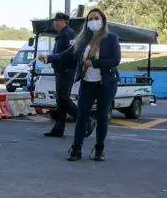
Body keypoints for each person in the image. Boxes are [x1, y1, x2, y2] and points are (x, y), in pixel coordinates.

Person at [48, 9, 121, 162]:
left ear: (103, 20)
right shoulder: (82, 40)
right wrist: (49, 58)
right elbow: (67, 55)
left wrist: (94, 63)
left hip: (105, 83)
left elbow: (115, 60)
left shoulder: (111, 38)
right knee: (81, 116)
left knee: (102, 117)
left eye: (96, 18)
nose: (93, 21)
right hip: (87, 82)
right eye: (90, 19)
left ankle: (99, 149)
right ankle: (76, 149)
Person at [38, 12, 83, 137]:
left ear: (64, 21)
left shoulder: (68, 34)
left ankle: (86, 121)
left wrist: (49, 57)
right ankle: (58, 128)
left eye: (56, 20)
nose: (54, 23)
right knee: (60, 100)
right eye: (54, 21)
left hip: (67, 70)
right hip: (61, 71)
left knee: (64, 100)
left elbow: (68, 54)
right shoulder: (63, 34)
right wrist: (49, 58)